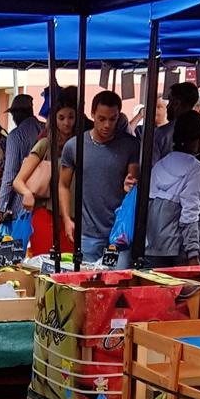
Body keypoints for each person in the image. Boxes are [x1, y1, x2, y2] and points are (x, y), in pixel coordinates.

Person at [59, 90, 140, 267]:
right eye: (102, 118)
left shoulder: (130, 145)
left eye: (113, 119)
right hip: (87, 233)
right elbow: (63, 185)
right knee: (88, 285)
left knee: (118, 285)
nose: (107, 125)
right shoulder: (74, 146)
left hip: (120, 232)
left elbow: (133, 178)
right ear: (92, 114)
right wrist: (66, 219)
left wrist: (130, 184)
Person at [146, 111, 200, 267]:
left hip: (153, 247)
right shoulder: (197, 171)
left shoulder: (159, 165)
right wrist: (193, 253)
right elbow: (190, 215)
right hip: (180, 252)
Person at [12, 100, 77, 255]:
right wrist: (27, 194)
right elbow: (18, 181)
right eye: (61, 118)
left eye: (71, 117)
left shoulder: (80, 145)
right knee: (44, 265)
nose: (66, 123)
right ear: (53, 120)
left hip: (75, 217)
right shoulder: (45, 144)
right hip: (46, 215)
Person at [0, 94, 44, 221]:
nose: (13, 118)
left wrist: (1, 206)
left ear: (18, 113)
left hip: (22, 204)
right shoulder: (45, 129)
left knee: (17, 239)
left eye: (13, 115)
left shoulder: (15, 136)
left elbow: (10, 175)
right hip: (45, 201)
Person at [152, 82, 200, 166]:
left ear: (177, 103)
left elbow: (152, 166)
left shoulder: (162, 134)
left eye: (170, 101)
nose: (167, 106)